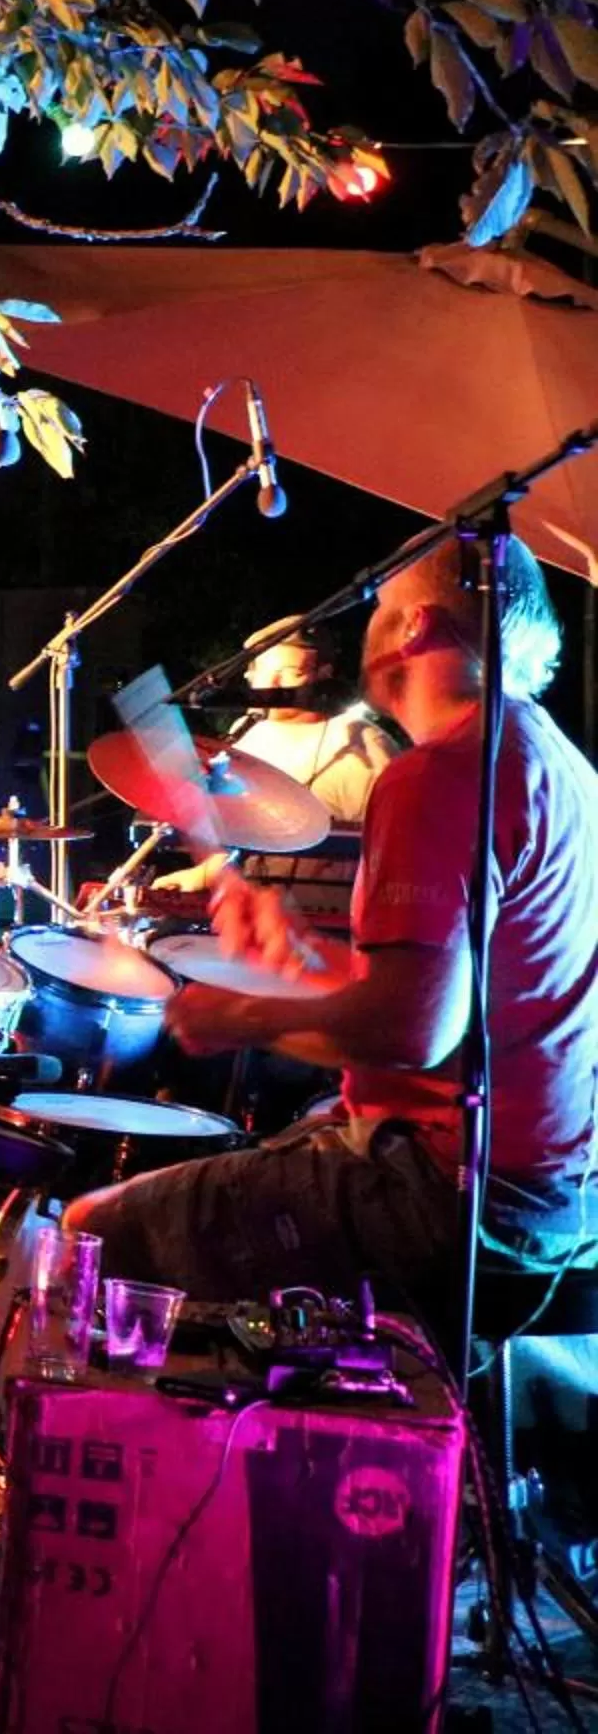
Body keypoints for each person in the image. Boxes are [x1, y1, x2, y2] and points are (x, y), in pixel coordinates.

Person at [68, 537, 597, 1316]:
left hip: (450, 1193)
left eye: (380, 609)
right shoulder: (560, 767)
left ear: (415, 628)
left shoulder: (442, 772)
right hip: (553, 1193)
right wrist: (303, 958)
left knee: (92, 1234)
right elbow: (449, 1007)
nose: (367, 629)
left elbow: (411, 1032)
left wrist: (236, 1016)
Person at [152, 616, 399, 923]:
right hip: (255, 921)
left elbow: (396, 850)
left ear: (324, 676)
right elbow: (247, 841)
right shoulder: (246, 732)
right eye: (264, 673)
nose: (274, 685)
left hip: (329, 925)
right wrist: (203, 875)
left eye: (290, 673)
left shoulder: (360, 742)